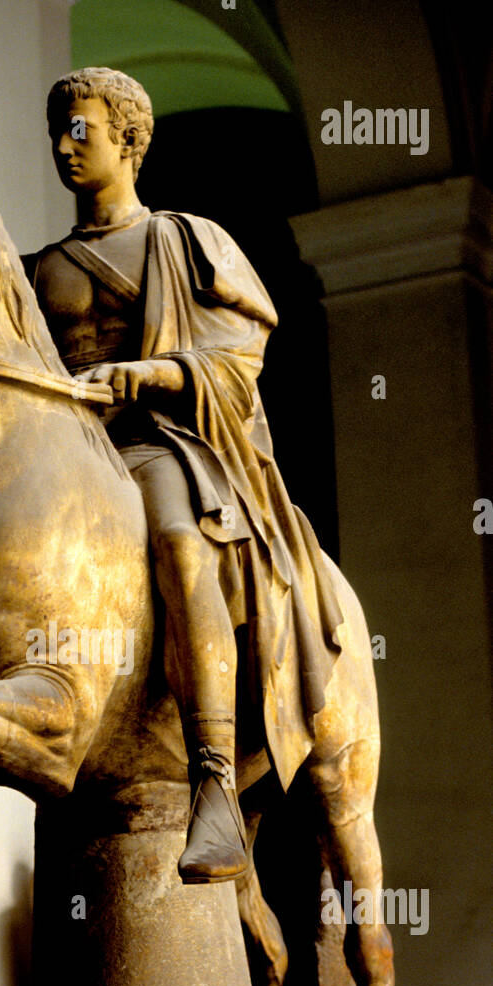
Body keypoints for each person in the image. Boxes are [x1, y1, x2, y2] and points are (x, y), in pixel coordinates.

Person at [24, 67, 344, 883]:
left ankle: (211, 777)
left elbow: (240, 357)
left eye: (81, 129)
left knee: (173, 535)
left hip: (153, 444)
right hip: (65, 449)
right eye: (58, 128)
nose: (64, 144)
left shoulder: (184, 239)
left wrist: (144, 376)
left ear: (128, 140)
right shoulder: (36, 269)